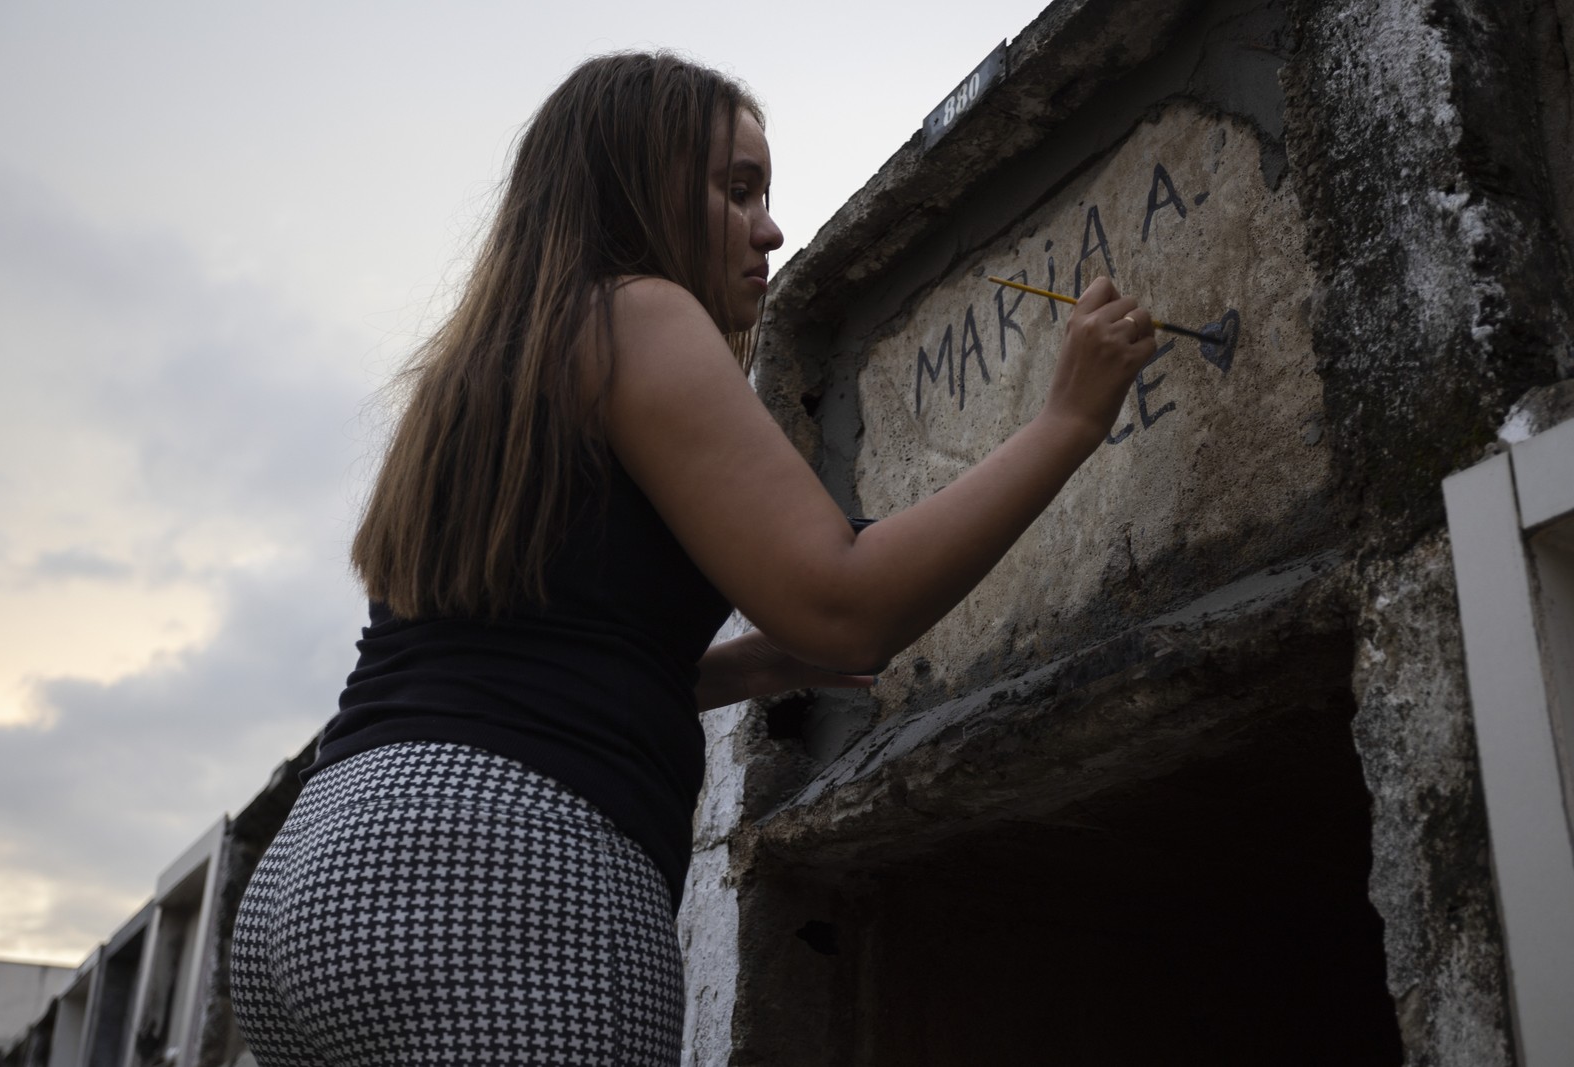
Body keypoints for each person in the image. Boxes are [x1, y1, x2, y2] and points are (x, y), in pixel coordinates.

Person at [229, 51, 1157, 1067]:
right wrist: (1069, 416)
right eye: (737, 188)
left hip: (310, 884)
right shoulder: (639, 312)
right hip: (494, 875)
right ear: (637, 184)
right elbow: (848, 607)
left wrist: (739, 668)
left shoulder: (477, 372)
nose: (770, 228)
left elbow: (517, 648)